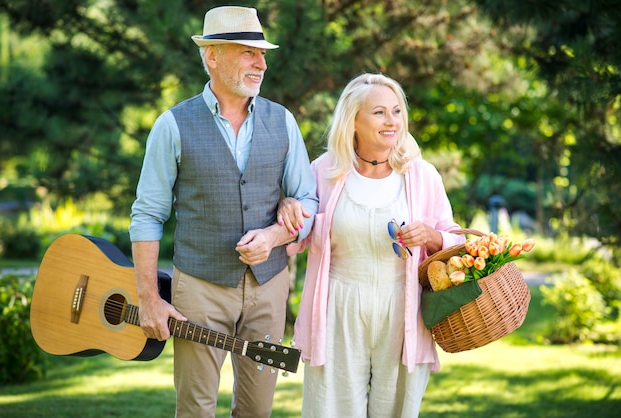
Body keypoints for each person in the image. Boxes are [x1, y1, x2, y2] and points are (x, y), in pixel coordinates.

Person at [128, 6, 317, 417]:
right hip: (199, 288)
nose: (262, 63)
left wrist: (274, 236)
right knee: (195, 408)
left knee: (257, 410)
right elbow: (147, 215)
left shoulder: (283, 122)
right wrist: (148, 298)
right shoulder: (172, 125)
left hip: (269, 290)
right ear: (212, 55)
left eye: (263, 54)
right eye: (248, 52)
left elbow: (309, 202)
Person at [285, 73, 464, 417]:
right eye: (379, 112)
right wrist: (287, 207)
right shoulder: (323, 171)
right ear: (353, 121)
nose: (392, 121)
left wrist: (430, 234)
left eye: (397, 112)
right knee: (330, 410)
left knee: (395, 410)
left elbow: (455, 239)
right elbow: (296, 234)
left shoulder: (422, 175)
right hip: (338, 306)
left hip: (403, 306)